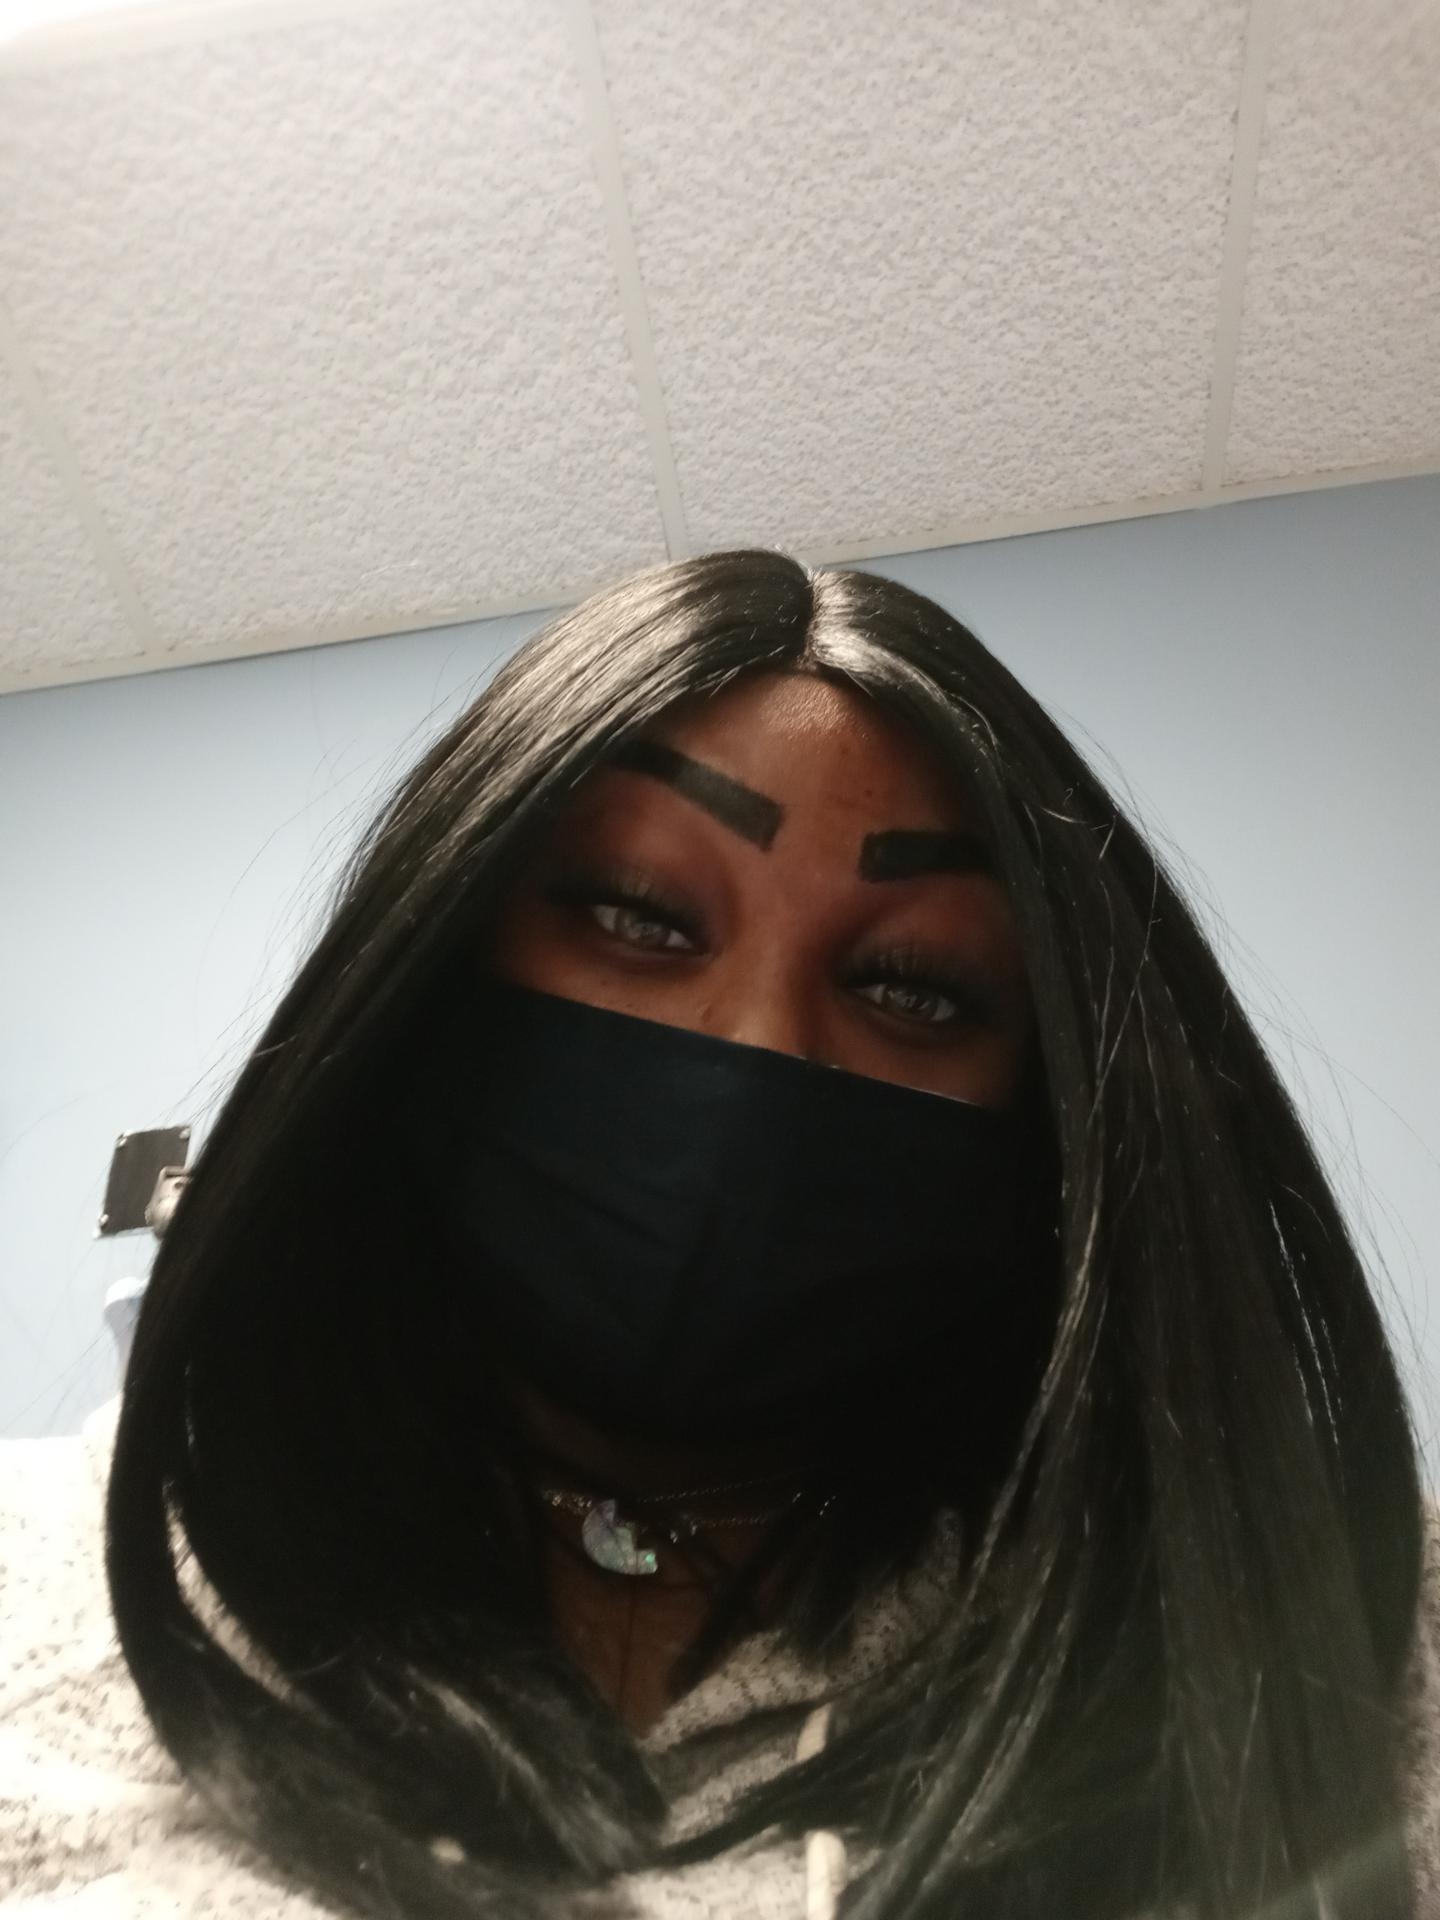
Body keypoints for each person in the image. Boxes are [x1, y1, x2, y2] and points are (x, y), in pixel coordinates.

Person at [3, 548, 1437, 1920]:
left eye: (916, 988)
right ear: (430, 964)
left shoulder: (1341, 1632)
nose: (753, 1047)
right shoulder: (32, 1574)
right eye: (634, 913)